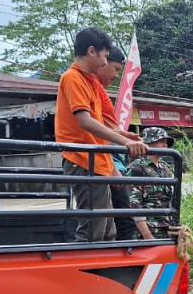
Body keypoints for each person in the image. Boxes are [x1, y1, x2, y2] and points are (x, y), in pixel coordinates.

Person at [55, 27, 146, 242]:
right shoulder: (72, 78)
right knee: (92, 231)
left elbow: (100, 123)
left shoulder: (90, 81)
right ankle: (81, 274)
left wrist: (125, 136)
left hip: (96, 161)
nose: (106, 63)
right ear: (91, 51)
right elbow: (85, 121)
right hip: (83, 160)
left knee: (107, 230)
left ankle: (100, 273)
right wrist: (124, 140)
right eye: (105, 57)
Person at [93, 45, 139, 240]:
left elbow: (106, 128)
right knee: (103, 225)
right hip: (104, 166)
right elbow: (92, 132)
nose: (116, 76)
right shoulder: (84, 85)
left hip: (111, 165)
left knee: (112, 225)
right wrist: (112, 167)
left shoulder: (99, 90)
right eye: (115, 69)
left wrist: (124, 135)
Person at [126, 127, 177, 239]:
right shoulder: (138, 168)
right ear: (150, 142)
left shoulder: (165, 168)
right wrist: (147, 236)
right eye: (162, 141)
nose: (165, 145)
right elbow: (134, 205)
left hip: (168, 228)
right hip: (149, 230)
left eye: (166, 143)